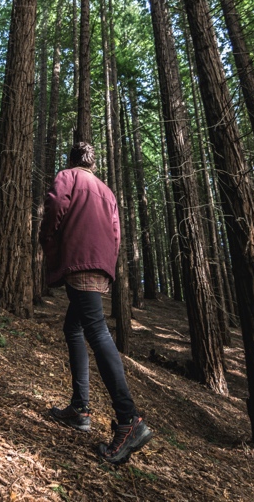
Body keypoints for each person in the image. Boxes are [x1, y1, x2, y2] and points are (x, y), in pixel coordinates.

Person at [39, 142, 153, 465]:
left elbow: (55, 205)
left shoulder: (69, 176)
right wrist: (108, 263)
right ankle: (80, 408)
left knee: (95, 329)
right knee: (73, 325)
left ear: (73, 160)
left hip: (81, 260)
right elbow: (116, 233)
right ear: (93, 163)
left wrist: (46, 239)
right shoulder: (107, 190)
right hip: (100, 264)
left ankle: (129, 419)